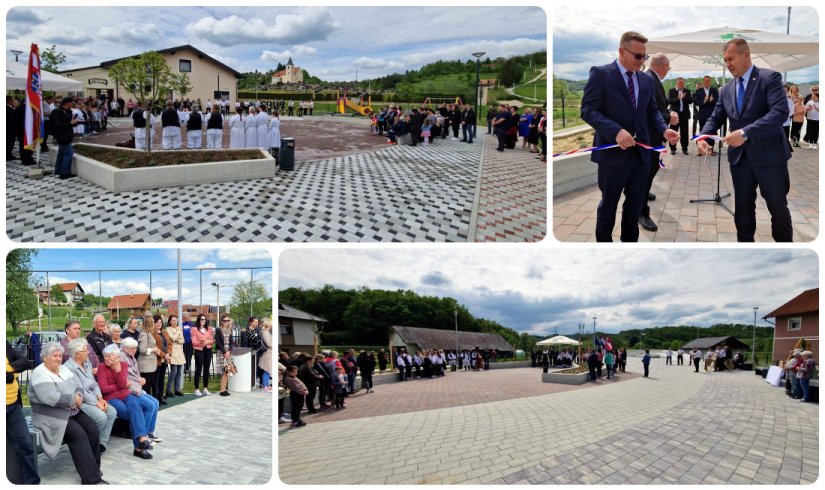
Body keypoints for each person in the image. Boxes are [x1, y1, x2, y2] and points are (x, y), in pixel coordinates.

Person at [580, 31, 678, 242]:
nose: (642, 61)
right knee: (609, 205)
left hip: (641, 156)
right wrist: (616, 131)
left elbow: (652, 110)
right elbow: (588, 110)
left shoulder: (645, 80)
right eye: (638, 56)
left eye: (645, 57)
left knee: (634, 207)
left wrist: (663, 129)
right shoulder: (601, 74)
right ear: (622, 51)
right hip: (613, 156)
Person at [696, 38, 793, 243]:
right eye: (725, 60)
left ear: (746, 54)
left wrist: (745, 133)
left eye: (731, 59)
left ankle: (784, 245)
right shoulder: (727, 89)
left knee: (777, 208)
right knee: (743, 210)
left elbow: (780, 112)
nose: (728, 64)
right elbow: (716, 117)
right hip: (740, 160)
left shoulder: (770, 78)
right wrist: (703, 137)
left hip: (770, 157)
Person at [28, 342, 106, 484]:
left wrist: (79, 397)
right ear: (45, 357)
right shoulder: (40, 373)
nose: (58, 359)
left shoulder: (63, 369)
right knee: (78, 435)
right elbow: (50, 398)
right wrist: (73, 399)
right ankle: (91, 479)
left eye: (59, 355)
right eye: (54, 356)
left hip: (71, 410)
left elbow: (78, 385)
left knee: (92, 429)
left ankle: (94, 469)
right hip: (51, 415)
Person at [98, 342, 157, 460]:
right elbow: (104, 388)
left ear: (117, 357)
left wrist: (118, 370)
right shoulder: (101, 367)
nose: (108, 359)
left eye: (111, 356)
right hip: (111, 398)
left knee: (137, 407)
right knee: (130, 413)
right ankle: (141, 443)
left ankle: (140, 445)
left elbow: (123, 384)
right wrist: (121, 385)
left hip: (126, 394)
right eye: (106, 356)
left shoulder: (123, 365)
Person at [639, 53, 677, 233]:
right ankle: (640, 211)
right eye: (668, 68)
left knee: (651, 170)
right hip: (649, 136)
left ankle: (644, 193)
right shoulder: (648, 79)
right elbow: (648, 111)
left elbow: (657, 107)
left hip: (655, 134)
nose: (667, 72)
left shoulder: (652, 78)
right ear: (662, 65)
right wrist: (669, 117)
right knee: (646, 173)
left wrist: (668, 114)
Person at [63, 338, 117, 454]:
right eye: (85, 350)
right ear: (77, 354)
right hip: (81, 402)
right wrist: (97, 403)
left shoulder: (86, 363)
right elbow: (80, 390)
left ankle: (101, 444)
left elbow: (94, 383)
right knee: (101, 417)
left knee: (112, 412)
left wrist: (100, 397)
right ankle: (89, 445)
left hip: (93, 397)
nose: (88, 352)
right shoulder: (69, 368)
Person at [7, 340, 41, 484]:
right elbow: (9, 376)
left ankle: (32, 483)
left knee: (26, 445)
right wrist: (13, 372)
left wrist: (8, 369)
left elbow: (25, 361)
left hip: (13, 405)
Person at [50, 96, 80, 179]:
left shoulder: (68, 111)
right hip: (61, 135)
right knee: (69, 153)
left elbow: (68, 122)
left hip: (67, 134)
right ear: (67, 103)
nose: (73, 104)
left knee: (61, 153)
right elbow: (57, 125)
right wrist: (70, 123)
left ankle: (58, 170)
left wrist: (74, 123)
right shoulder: (56, 112)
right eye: (71, 103)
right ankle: (64, 173)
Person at [137, 315, 163, 404]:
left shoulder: (148, 334)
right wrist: (153, 350)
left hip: (151, 365)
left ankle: (149, 403)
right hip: (145, 365)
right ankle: (146, 404)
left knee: (149, 385)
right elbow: (142, 349)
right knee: (146, 387)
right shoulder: (143, 334)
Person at [693, 75, 719, 155]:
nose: (707, 82)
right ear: (703, 81)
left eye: (708, 81)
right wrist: (703, 101)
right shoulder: (698, 91)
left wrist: (712, 100)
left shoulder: (714, 90)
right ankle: (702, 149)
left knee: (712, 132)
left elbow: (718, 101)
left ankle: (711, 149)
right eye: (705, 81)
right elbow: (696, 101)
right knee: (702, 131)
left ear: (710, 82)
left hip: (712, 115)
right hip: (702, 115)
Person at [191, 313, 215, 396]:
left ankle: (205, 388)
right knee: (198, 369)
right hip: (199, 350)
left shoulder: (209, 329)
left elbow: (212, 340)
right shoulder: (194, 329)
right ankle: (196, 389)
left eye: (205, 319)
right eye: (202, 319)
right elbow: (194, 342)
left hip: (208, 350)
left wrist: (207, 341)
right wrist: (201, 342)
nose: (203, 321)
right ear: (198, 320)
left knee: (206, 369)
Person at [164, 314, 185, 398]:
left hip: (179, 352)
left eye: (176, 320)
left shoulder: (179, 329)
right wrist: (178, 334)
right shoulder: (168, 329)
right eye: (173, 320)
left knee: (179, 372)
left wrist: (177, 338)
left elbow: (182, 340)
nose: (175, 322)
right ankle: (168, 390)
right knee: (174, 372)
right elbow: (172, 338)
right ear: (169, 321)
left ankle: (177, 389)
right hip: (173, 352)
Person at [215, 314, 235, 396]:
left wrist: (229, 351)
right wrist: (224, 352)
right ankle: (222, 390)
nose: (226, 322)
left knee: (228, 371)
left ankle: (224, 389)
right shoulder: (218, 330)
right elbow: (218, 342)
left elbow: (231, 342)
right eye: (225, 321)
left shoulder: (230, 330)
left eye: (228, 320)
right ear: (221, 321)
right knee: (224, 371)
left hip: (228, 352)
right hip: (221, 352)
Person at [259, 318, 274, 392]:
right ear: (269, 325)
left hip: (268, 353)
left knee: (268, 370)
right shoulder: (265, 333)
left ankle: (267, 385)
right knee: (267, 370)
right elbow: (268, 343)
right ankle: (265, 386)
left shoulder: (267, 332)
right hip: (267, 354)